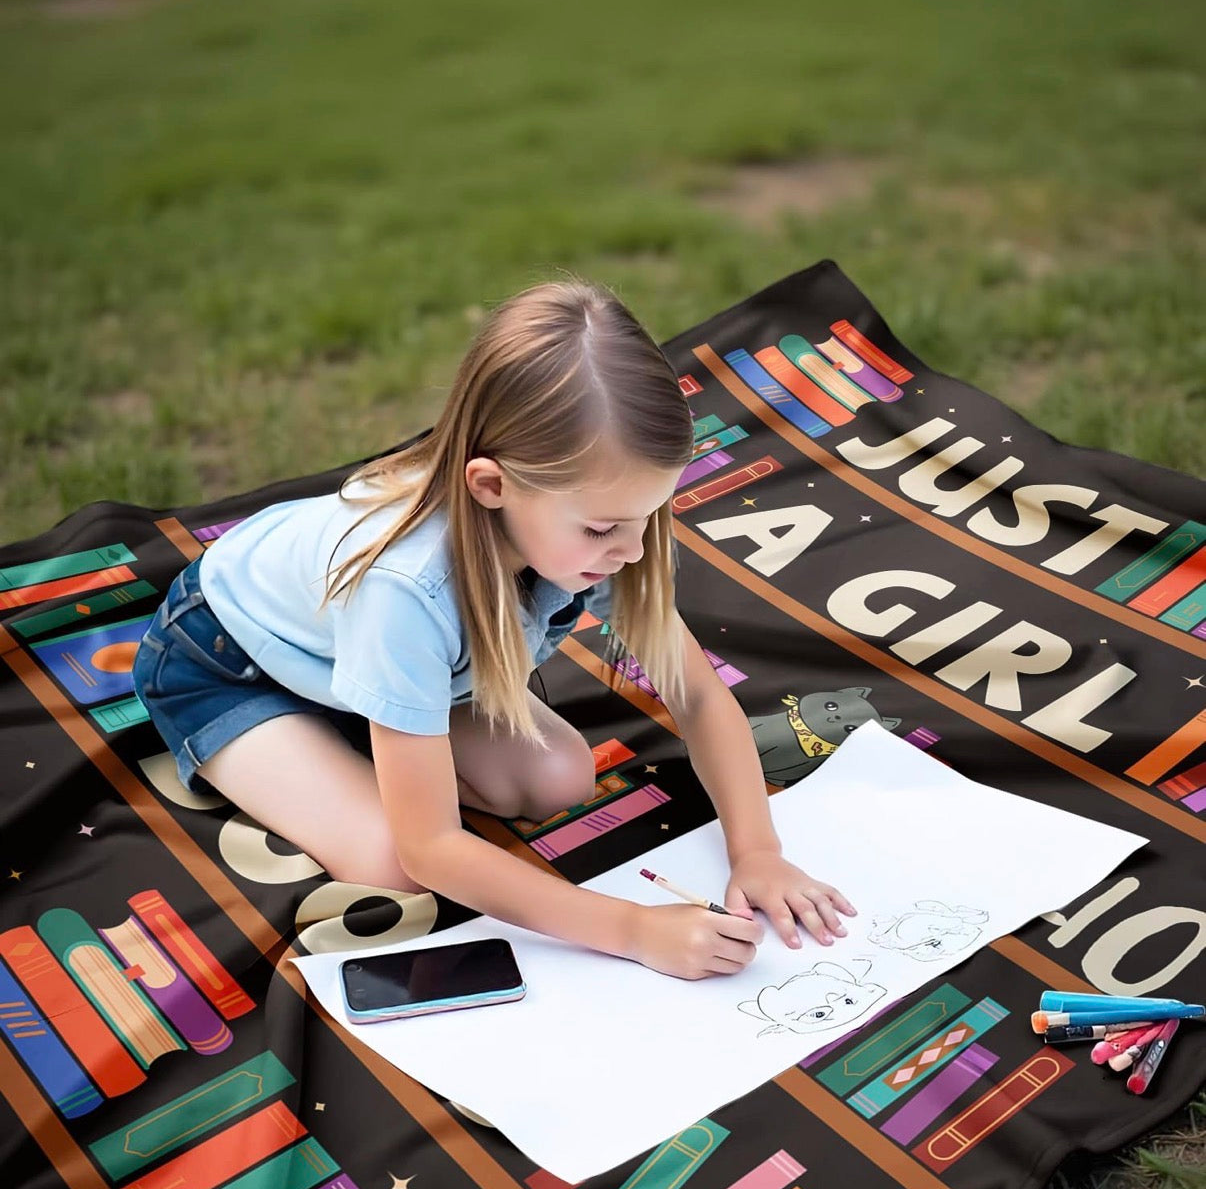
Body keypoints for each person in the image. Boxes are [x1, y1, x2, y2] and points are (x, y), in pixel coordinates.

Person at [132, 278, 855, 981]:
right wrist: (631, 929)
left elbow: (696, 696)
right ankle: (338, 734)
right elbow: (433, 848)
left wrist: (756, 849)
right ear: (491, 485)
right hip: (226, 663)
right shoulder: (406, 589)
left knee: (558, 776)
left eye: (650, 515)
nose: (632, 551)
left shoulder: (601, 520)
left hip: (347, 651)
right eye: (604, 527)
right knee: (393, 860)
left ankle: (375, 729)